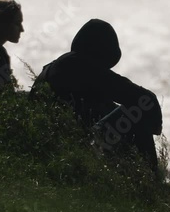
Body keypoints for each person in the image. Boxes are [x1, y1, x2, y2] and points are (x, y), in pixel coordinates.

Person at [31, 19, 162, 171]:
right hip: (70, 145)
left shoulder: (60, 65)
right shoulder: (82, 66)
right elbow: (144, 98)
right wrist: (154, 124)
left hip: (51, 142)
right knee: (135, 111)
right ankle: (151, 183)